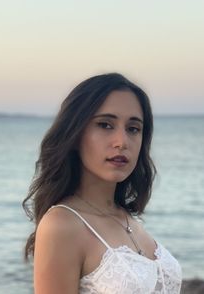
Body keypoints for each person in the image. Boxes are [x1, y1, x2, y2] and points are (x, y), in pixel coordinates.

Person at [23, 73, 182, 294]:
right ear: (75, 134)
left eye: (133, 128)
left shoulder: (126, 218)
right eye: (105, 125)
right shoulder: (61, 224)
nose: (122, 142)